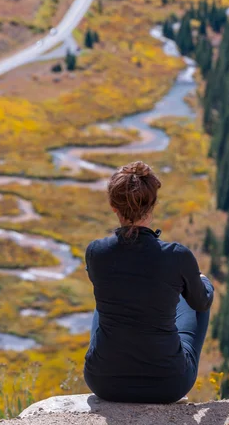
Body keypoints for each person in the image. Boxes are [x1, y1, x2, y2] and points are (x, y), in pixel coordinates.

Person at [84, 161, 214, 404]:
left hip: (103, 382)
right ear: (153, 203)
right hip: (168, 385)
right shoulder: (177, 255)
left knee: (105, 302)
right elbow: (201, 302)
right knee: (199, 295)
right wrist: (203, 284)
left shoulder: (96, 252)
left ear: (113, 206)